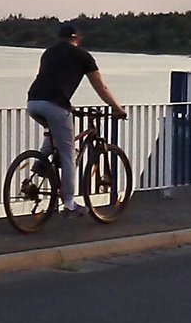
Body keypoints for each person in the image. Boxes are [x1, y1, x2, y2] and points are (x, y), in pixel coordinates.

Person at [25, 22, 128, 216]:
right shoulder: (83, 56)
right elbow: (101, 87)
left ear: (60, 37)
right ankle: (70, 204)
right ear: (77, 39)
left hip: (33, 102)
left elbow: (48, 80)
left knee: (55, 137)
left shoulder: (48, 53)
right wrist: (117, 108)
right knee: (68, 154)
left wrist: (66, 104)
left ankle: (40, 164)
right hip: (55, 105)